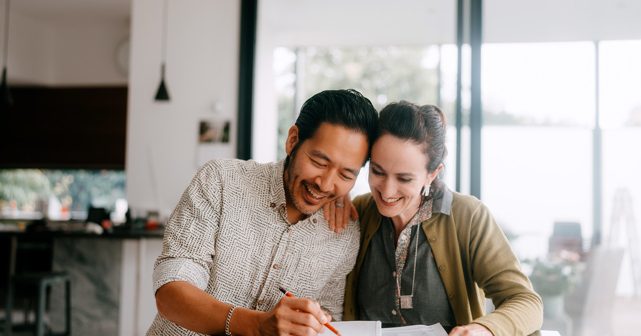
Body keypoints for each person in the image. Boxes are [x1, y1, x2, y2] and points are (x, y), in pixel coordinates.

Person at [148, 89, 378, 336]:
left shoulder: (344, 233)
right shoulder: (220, 181)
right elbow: (171, 291)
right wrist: (257, 325)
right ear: (292, 140)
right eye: (319, 163)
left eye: (345, 174)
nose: (325, 183)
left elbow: (329, 317)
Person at [330, 101, 543, 335]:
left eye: (404, 179)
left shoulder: (468, 217)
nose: (387, 191)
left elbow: (526, 301)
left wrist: (484, 329)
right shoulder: (358, 212)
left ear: (432, 174)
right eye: (378, 172)